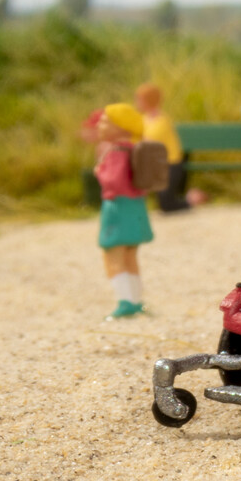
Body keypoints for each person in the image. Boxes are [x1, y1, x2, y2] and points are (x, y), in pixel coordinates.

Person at [89, 103, 153, 319]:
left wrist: (99, 171)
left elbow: (113, 181)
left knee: (113, 254)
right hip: (136, 205)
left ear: (119, 127)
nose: (100, 125)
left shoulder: (115, 151)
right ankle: (136, 300)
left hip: (118, 206)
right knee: (130, 254)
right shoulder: (133, 148)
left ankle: (125, 302)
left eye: (105, 122)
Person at [134, 83, 189, 212]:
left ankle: (192, 199)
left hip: (170, 165)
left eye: (139, 99)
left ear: (148, 100)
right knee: (163, 204)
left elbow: (147, 141)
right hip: (156, 165)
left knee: (166, 205)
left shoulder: (162, 120)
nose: (136, 102)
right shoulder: (144, 119)